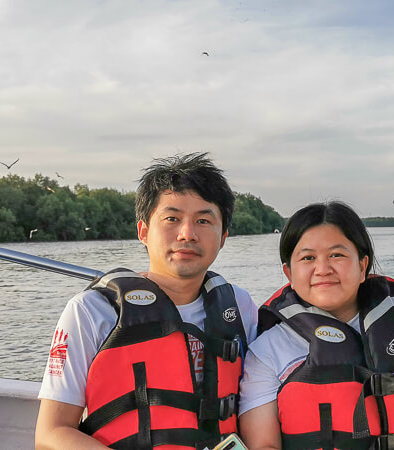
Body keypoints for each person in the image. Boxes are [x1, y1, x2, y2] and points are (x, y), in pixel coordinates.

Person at [35, 153, 259, 449]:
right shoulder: (91, 311)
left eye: (203, 220)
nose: (187, 234)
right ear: (143, 231)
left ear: (223, 237)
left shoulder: (239, 308)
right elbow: (50, 434)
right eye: (172, 219)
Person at [239, 201, 394, 450]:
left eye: (337, 255)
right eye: (308, 257)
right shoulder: (266, 351)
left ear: (362, 266)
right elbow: (263, 444)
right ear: (289, 274)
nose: (323, 269)